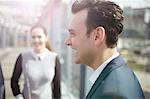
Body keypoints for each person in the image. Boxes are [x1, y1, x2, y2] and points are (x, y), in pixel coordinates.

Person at [65, 0, 145, 99]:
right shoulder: (119, 74)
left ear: (97, 36)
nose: (67, 42)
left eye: (73, 34)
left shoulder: (111, 94)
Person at [11, 25, 61, 99]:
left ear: (46, 38)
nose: (36, 40)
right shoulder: (23, 57)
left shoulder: (54, 58)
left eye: (39, 37)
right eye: (33, 37)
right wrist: (19, 96)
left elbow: (57, 86)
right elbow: (14, 81)